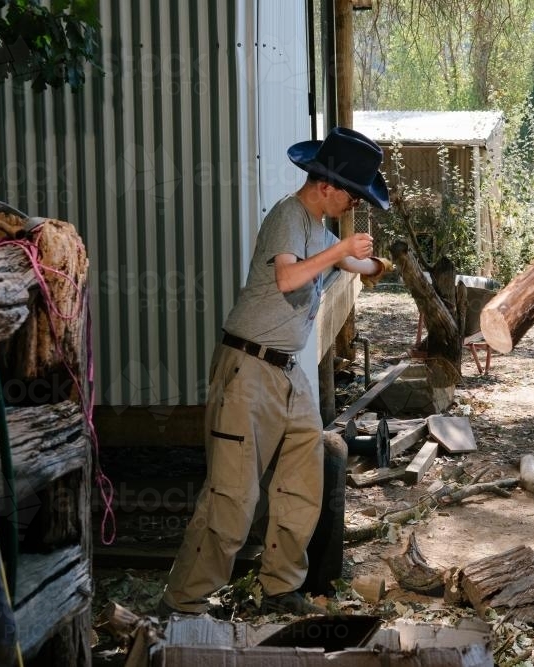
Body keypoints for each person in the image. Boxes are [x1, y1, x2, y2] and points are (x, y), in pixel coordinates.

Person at [160, 127, 393, 616]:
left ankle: (281, 586)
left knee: (303, 478)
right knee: (232, 497)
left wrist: (374, 262)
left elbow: (359, 264)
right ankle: (184, 604)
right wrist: (339, 252)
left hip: (287, 372)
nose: (352, 204)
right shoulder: (289, 215)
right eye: (350, 194)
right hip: (248, 367)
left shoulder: (320, 227)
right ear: (325, 184)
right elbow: (289, 275)